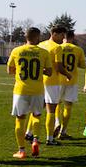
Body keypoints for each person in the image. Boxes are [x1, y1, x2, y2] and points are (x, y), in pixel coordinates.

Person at [7, 27, 53, 159]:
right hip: (37, 90)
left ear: (26, 37)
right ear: (37, 37)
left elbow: (9, 70)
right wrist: (40, 71)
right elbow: (49, 72)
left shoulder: (17, 51)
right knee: (36, 116)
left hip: (21, 90)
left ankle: (21, 150)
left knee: (20, 119)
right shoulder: (43, 52)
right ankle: (35, 140)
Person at [33, 25, 70, 146]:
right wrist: (68, 75)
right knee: (51, 110)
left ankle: (30, 134)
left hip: (39, 81)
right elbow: (59, 67)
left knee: (37, 109)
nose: (63, 38)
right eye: (61, 35)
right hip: (52, 82)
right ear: (54, 34)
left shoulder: (41, 45)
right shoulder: (57, 47)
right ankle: (50, 138)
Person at [57, 30, 86, 139]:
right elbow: (83, 65)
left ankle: (56, 123)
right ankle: (63, 132)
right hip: (72, 81)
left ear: (63, 37)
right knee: (68, 106)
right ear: (72, 37)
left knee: (56, 104)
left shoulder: (58, 48)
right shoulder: (78, 50)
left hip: (58, 80)